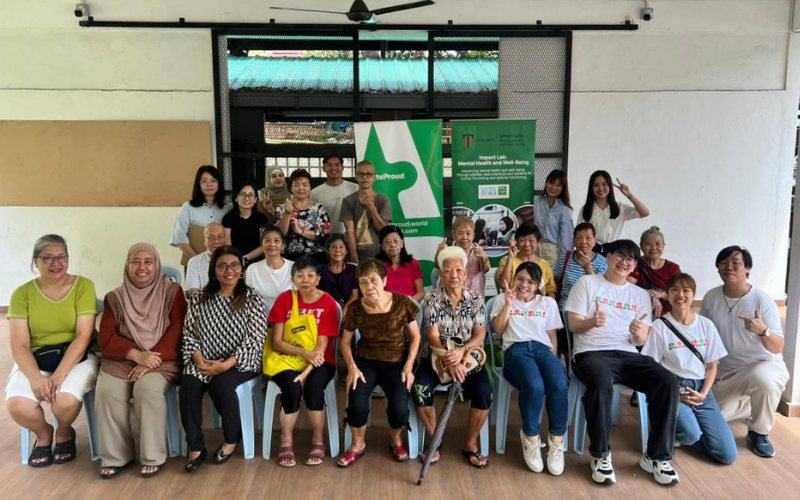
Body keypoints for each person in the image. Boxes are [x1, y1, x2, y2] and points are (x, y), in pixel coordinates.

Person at [565, 239, 680, 486]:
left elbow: (641, 338)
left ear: (634, 266)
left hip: (629, 354)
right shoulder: (587, 283)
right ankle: (601, 455)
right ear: (608, 257)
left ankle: (656, 457)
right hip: (591, 352)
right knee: (600, 380)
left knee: (667, 382)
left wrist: (639, 333)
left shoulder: (639, 295)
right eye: (620, 256)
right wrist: (591, 322)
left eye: (630, 259)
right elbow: (574, 325)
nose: (625, 262)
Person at [96, 243, 188, 479]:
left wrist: (150, 358)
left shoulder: (173, 292)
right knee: (108, 390)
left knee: (148, 389)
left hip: (162, 358)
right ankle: (117, 456)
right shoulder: (114, 298)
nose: (142, 267)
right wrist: (136, 355)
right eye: (135, 261)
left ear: (157, 265)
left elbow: (179, 328)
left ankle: (153, 456)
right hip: (124, 358)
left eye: (148, 261)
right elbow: (106, 337)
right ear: (127, 266)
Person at [6, 234, 99, 467]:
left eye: (62, 257)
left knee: (64, 401)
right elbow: (19, 345)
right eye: (48, 258)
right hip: (37, 357)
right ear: (35, 261)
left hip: (76, 356)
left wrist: (59, 375)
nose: (56, 263)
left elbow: (84, 335)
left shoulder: (83, 286)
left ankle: (65, 432)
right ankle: (45, 433)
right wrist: (36, 378)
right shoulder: (22, 294)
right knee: (17, 404)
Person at [180, 246, 267, 473]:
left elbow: (255, 339)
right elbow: (188, 333)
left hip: (240, 361)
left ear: (241, 269)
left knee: (221, 385)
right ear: (213, 270)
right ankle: (196, 445)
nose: (229, 270)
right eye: (222, 266)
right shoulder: (199, 298)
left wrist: (226, 364)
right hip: (204, 360)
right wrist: (199, 361)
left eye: (234, 265)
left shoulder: (252, 299)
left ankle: (232, 437)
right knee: (188, 385)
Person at [700, 246, 789, 458]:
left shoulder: (762, 300)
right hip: (725, 372)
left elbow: (777, 347)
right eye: (723, 263)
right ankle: (749, 405)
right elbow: (703, 337)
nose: (729, 267)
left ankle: (759, 431)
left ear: (747, 269)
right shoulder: (711, 297)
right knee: (707, 417)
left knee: (764, 381)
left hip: (761, 364)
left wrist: (763, 331)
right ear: (718, 268)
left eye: (735, 263)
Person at [642, 273, 737, 465]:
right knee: (691, 434)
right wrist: (676, 393)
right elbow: (650, 368)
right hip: (673, 386)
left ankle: (671, 426)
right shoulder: (660, 326)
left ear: (693, 295)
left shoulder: (705, 325)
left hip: (702, 389)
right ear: (667, 295)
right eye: (675, 290)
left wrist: (703, 393)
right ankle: (673, 425)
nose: (680, 295)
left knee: (727, 455)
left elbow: (712, 366)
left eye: (686, 290)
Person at [414, 246, 492, 469]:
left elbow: (480, 334)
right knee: (420, 389)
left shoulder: (475, 299)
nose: (454, 275)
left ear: (466, 274)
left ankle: (469, 443)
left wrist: (462, 354)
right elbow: (432, 336)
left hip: (467, 358)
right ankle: (434, 439)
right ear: (441, 274)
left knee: (484, 392)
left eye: (459, 270)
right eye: (448, 271)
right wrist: (450, 358)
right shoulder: (432, 299)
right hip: (437, 357)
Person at [338, 259, 422, 467]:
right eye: (364, 282)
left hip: (396, 361)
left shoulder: (403, 303)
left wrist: (409, 366)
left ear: (384, 280)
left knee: (399, 409)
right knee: (356, 403)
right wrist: (352, 367)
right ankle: (358, 444)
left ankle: (396, 439)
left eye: (374, 280)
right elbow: (346, 343)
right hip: (365, 361)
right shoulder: (356, 308)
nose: (369, 287)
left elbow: (416, 337)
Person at [490, 262, 567, 475]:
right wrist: (508, 304)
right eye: (520, 279)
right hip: (516, 350)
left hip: (543, 350)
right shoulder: (502, 298)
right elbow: (497, 329)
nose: (524, 285)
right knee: (534, 385)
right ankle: (531, 437)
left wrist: (552, 362)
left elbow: (551, 335)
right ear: (514, 279)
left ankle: (556, 441)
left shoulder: (548, 303)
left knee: (558, 383)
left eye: (530, 281)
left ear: (538, 285)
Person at [267, 257, 340, 467]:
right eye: (300, 276)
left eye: (310, 276)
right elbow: (277, 342)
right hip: (287, 358)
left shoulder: (327, 303)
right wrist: (303, 354)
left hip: (320, 360)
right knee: (291, 388)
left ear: (318, 279)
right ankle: (286, 440)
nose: (305, 280)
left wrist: (307, 370)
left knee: (314, 389)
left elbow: (322, 346)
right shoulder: (284, 300)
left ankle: (318, 440)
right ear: (293, 280)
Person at [170, 165, 230, 267]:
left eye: (213, 180)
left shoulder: (228, 208)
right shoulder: (188, 208)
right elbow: (179, 237)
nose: (209, 184)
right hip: (194, 264)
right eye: (204, 181)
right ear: (199, 184)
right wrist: (199, 261)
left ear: (219, 184)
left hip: (222, 265)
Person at [577, 170, 649, 249]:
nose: (600, 188)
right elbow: (579, 233)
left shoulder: (620, 208)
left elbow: (645, 213)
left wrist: (629, 195)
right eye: (596, 185)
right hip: (592, 250)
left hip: (615, 251)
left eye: (604, 184)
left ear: (610, 186)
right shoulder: (586, 209)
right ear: (591, 188)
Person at [341, 160, 392, 263]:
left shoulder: (383, 200)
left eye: (368, 174)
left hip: (379, 255)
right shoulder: (348, 201)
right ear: (356, 177)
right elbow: (349, 231)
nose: (364, 177)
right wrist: (354, 256)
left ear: (374, 177)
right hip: (354, 255)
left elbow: (383, 230)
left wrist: (371, 207)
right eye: (361, 174)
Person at [276, 169, 331, 261]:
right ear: (290, 188)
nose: (301, 188)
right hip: (289, 258)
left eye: (305, 185)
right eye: (296, 185)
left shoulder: (319, 209)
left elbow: (324, 236)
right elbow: (279, 235)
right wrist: (287, 213)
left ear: (310, 188)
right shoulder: (281, 208)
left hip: (316, 258)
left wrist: (300, 231)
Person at [628, 226, 682, 318]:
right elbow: (626, 286)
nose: (653, 248)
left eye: (658, 244)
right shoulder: (634, 264)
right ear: (641, 246)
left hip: (670, 316)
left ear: (663, 246)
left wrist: (659, 295)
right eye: (648, 244)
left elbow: (679, 293)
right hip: (640, 315)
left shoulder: (672, 268)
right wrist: (651, 297)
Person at [434, 217, 490, 299]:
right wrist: (439, 253)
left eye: (468, 233)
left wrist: (483, 256)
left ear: (473, 235)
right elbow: (437, 266)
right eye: (460, 233)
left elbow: (486, 269)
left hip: (473, 297)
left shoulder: (478, 251)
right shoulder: (447, 252)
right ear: (453, 235)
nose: (464, 237)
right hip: (449, 296)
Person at [496, 223, 557, 299]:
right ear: (516, 242)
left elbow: (551, 291)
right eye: (522, 240)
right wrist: (510, 259)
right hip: (512, 305)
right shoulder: (507, 260)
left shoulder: (545, 264)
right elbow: (502, 284)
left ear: (538, 243)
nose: (527, 244)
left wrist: (549, 306)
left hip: (538, 308)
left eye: (531, 241)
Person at [245, 226, 294, 312]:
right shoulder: (252, 269)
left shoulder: (293, 267)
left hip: (289, 320)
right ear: (261, 245)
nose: (272, 244)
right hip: (259, 320)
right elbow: (246, 298)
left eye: (276, 241)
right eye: (267, 240)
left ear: (282, 246)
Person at [222, 181, 269, 267]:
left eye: (251, 195)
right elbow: (228, 244)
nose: (247, 198)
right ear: (236, 198)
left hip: (258, 262)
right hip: (234, 262)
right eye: (243, 194)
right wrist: (237, 260)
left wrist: (245, 258)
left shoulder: (261, 219)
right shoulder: (228, 218)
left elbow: (264, 245)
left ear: (255, 200)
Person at [534, 169, 574, 267]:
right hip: (534, 249)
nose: (553, 187)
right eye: (551, 183)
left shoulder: (564, 210)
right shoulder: (536, 202)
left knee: (550, 281)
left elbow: (566, 238)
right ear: (546, 183)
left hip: (552, 253)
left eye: (558, 185)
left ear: (563, 188)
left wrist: (564, 262)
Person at [310, 154, 359, 234]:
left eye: (337, 165)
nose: (333, 168)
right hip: (328, 241)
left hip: (352, 238)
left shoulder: (355, 188)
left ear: (343, 168)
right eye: (329, 165)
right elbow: (313, 219)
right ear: (323, 168)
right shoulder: (315, 193)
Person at [376, 225, 425, 302]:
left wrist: (407, 304)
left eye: (396, 241)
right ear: (382, 246)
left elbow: (421, 293)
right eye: (387, 242)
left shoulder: (412, 263)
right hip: (385, 307)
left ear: (402, 243)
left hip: (409, 306)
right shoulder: (376, 265)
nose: (392, 245)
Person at [319, 234, 359, 315]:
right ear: (328, 250)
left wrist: (345, 311)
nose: (337, 250)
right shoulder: (320, 270)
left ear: (346, 251)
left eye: (341, 247)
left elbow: (354, 295)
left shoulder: (353, 270)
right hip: (325, 310)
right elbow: (317, 294)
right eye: (333, 247)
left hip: (349, 310)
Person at [185, 223, 227, 293]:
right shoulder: (194, 262)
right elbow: (192, 292)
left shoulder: (234, 261)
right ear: (204, 241)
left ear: (226, 238)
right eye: (211, 237)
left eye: (220, 237)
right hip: (203, 303)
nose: (216, 241)